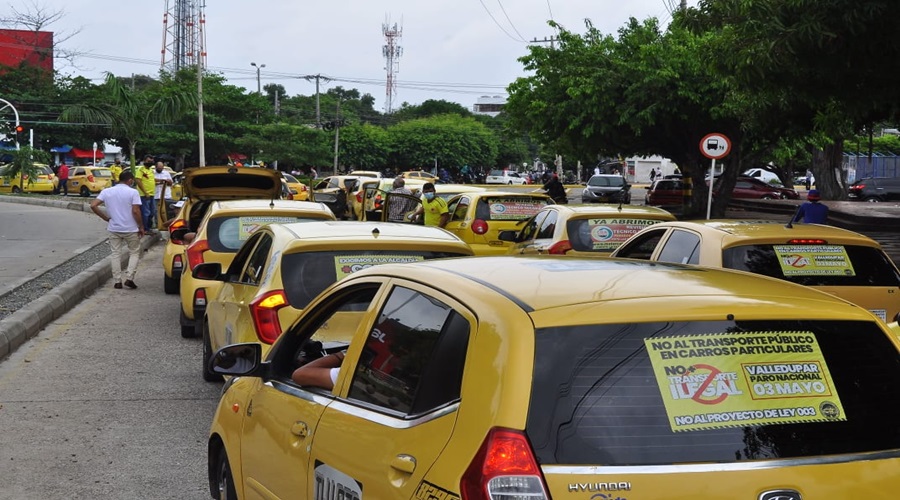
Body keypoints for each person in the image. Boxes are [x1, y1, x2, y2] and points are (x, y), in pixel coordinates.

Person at [89, 171, 144, 290]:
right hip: (130, 228)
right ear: (130, 180)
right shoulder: (133, 192)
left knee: (115, 254)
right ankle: (129, 278)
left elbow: (93, 205)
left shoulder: (107, 191)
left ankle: (117, 281)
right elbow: (136, 211)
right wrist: (141, 226)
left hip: (114, 228)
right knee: (134, 252)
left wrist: (105, 218)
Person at [134, 157, 156, 232]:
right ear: (144, 161)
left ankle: (149, 227)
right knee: (146, 212)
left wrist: (162, 180)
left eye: (151, 161)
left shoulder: (151, 170)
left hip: (151, 194)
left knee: (152, 212)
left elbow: (151, 180)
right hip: (144, 195)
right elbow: (138, 180)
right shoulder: (141, 169)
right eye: (148, 161)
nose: (150, 162)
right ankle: (145, 229)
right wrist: (145, 192)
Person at [153, 161, 173, 231]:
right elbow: (151, 182)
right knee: (156, 211)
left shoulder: (166, 173)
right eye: (159, 168)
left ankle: (167, 224)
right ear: (156, 167)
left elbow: (171, 183)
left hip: (166, 195)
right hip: (156, 195)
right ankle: (158, 225)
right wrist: (160, 181)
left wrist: (168, 181)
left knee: (167, 211)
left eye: (161, 168)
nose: (160, 169)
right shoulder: (152, 173)